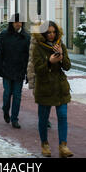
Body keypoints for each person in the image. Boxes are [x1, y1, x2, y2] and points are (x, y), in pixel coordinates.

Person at [32, 21, 72, 158]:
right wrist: (49, 62)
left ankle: (63, 146)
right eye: (49, 32)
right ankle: (45, 144)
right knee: (43, 118)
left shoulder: (60, 45)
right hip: (45, 87)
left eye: (54, 32)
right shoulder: (38, 48)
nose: (52, 35)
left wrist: (61, 56)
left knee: (63, 116)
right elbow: (37, 69)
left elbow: (67, 66)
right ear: (44, 33)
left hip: (60, 87)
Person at [0, 13, 30, 129]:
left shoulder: (26, 37)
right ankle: (5, 110)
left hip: (19, 70)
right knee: (7, 93)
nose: (18, 24)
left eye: (20, 22)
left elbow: (28, 57)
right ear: (12, 23)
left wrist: (28, 73)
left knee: (17, 96)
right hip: (7, 70)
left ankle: (15, 118)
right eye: (16, 22)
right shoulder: (4, 35)